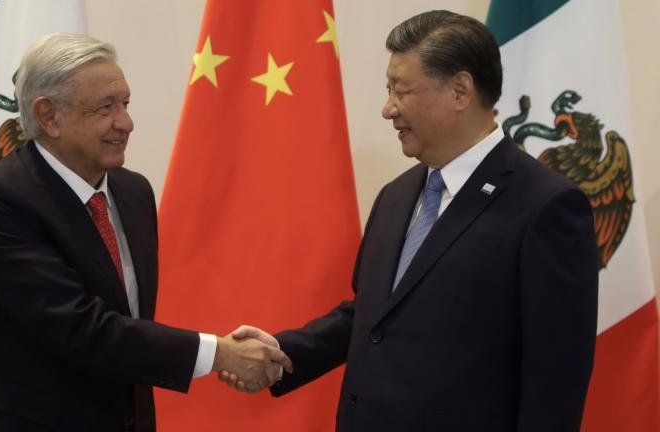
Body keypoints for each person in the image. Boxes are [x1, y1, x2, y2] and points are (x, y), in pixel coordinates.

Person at [221, 10, 599, 432]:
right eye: (388, 90)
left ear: (459, 90)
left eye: (400, 91)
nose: (387, 109)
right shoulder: (396, 196)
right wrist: (284, 353)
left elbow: (555, 380)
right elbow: (372, 316)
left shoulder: (546, 206)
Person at [0, 32, 291, 432]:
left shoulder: (132, 191)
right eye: (105, 108)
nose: (126, 122)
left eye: (125, 103)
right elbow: (81, 327)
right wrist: (217, 353)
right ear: (49, 116)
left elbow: (129, 319)